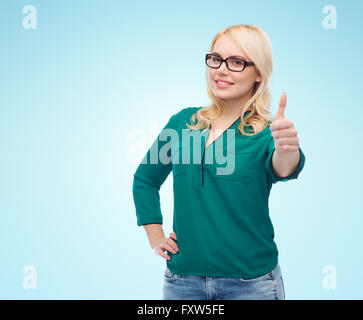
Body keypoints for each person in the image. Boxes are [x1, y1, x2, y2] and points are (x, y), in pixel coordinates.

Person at [132, 24, 306, 300]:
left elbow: (283, 166)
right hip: (182, 282)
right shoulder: (182, 123)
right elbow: (145, 179)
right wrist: (156, 237)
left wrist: (288, 147)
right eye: (216, 59)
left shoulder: (266, 132)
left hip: (251, 283)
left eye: (236, 62)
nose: (221, 69)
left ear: (258, 72)